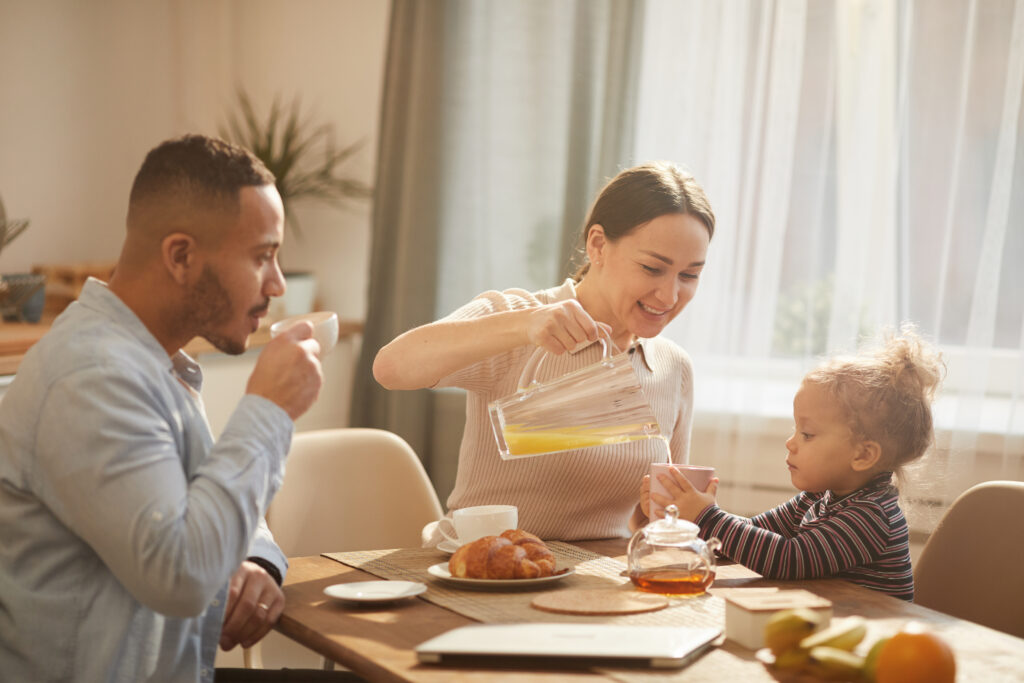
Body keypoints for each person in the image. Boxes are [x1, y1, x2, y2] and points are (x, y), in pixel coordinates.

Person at [0, 134, 341, 682]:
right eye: (262, 257)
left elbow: (202, 499)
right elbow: (182, 576)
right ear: (181, 256)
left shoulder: (153, 363)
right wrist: (269, 410)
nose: (277, 284)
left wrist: (256, 561)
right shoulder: (93, 380)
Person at [374, 161, 715, 541]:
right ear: (598, 244)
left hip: (596, 584)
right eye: (652, 268)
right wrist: (523, 326)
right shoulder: (518, 320)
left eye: (689, 275)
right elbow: (390, 368)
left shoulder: (673, 368)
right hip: (485, 575)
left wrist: (673, 514)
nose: (669, 296)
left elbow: (657, 520)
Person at [644, 327, 944, 601]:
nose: (791, 443)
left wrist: (707, 517)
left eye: (807, 434)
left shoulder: (872, 516)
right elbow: (748, 539)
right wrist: (686, 522)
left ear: (863, 455)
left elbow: (788, 559)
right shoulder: (818, 498)